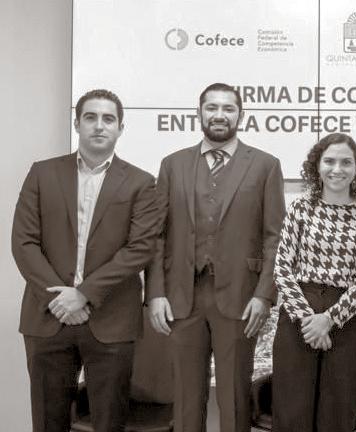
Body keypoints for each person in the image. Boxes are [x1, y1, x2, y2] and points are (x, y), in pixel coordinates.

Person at [13, 89, 164, 431]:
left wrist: (83, 294)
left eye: (108, 119)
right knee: (48, 423)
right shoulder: (42, 173)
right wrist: (59, 299)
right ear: (77, 123)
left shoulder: (141, 183)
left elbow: (140, 248)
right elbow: (24, 243)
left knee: (109, 424)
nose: (99, 125)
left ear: (120, 128)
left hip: (112, 320)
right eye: (90, 117)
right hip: (47, 316)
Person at [146, 83, 285, 432]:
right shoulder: (172, 165)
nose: (219, 115)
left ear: (241, 115)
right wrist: (156, 293)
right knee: (186, 399)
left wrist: (264, 295)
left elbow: (275, 237)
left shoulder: (265, 166)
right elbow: (157, 235)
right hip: (182, 296)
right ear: (199, 113)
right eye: (211, 107)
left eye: (228, 108)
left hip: (241, 297)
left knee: (235, 399)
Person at [272, 133, 356, 432]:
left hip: (347, 320)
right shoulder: (300, 207)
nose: (338, 169)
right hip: (299, 316)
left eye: (346, 162)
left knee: (336, 414)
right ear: (317, 166)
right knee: (292, 411)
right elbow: (282, 267)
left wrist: (329, 319)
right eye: (330, 161)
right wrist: (308, 320)